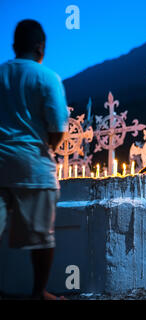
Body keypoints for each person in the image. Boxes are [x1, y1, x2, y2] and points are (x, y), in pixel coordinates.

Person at [0, 20, 69, 300]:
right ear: (41, 46)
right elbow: (57, 128)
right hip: (33, 166)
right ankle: (39, 292)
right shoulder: (46, 77)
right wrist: (48, 145)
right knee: (42, 234)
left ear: (15, 46)